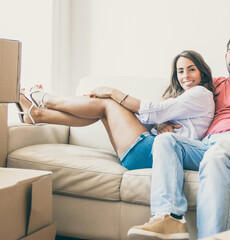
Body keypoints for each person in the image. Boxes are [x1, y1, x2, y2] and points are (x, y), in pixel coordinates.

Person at [127, 33, 230, 239]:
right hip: (206, 143)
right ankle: (170, 218)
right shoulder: (214, 83)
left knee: (216, 156)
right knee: (166, 140)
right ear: (225, 56)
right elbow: (170, 101)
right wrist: (163, 122)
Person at [16, 50, 215, 170]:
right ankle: (37, 114)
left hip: (151, 152)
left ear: (202, 71)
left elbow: (156, 110)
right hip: (147, 152)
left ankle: (44, 99)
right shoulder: (183, 97)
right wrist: (161, 124)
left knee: (108, 104)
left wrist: (112, 92)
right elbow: (152, 117)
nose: (185, 75)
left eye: (191, 69)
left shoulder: (201, 93)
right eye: (180, 71)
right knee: (104, 110)